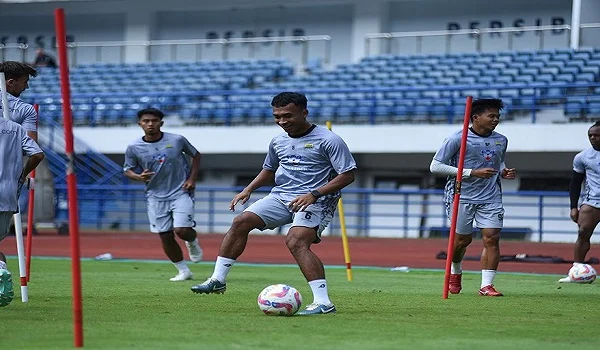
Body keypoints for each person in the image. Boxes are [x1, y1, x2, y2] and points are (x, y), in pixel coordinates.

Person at [191, 91, 357, 316]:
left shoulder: (329, 140)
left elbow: (347, 175)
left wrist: (313, 194)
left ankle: (323, 302)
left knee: (296, 241)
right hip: (282, 195)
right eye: (277, 116)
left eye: (287, 116)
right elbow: (269, 169)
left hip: (317, 200)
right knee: (241, 221)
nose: (282, 121)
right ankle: (217, 280)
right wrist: (248, 190)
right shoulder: (278, 140)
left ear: (304, 112)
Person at [430, 98, 516, 297]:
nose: (496, 120)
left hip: (491, 196)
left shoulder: (501, 139)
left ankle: (486, 286)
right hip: (461, 195)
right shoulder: (457, 138)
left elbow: (499, 162)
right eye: (491, 116)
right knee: (461, 242)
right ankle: (456, 271)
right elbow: (435, 166)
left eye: (498, 116)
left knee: (492, 238)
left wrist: (503, 172)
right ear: (476, 117)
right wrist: (471, 172)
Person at [123, 108, 203, 282]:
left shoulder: (177, 140)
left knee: (181, 230)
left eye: (154, 120)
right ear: (140, 124)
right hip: (154, 195)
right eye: (146, 121)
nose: (150, 124)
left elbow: (196, 156)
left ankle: (192, 241)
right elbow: (127, 170)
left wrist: (192, 179)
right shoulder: (134, 147)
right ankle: (183, 271)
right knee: (165, 235)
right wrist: (138, 177)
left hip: (181, 191)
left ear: (161, 123)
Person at [0, 118, 45, 307]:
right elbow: (37, 154)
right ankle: (1, 269)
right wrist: (22, 174)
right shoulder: (15, 128)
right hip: (8, 194)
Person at [559, 121, 600, 282]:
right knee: (583, 233)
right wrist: (573, 207)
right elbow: (575, 182)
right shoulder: (583, 157)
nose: (593, 138)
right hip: (591, 202)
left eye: (597, 135)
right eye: (590, 135)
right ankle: (576, 271)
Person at [0, 61, 39, 142]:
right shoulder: (26, 109)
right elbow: (31, 147)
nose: (27, 87)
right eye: (25, 82)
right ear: (11, 82)